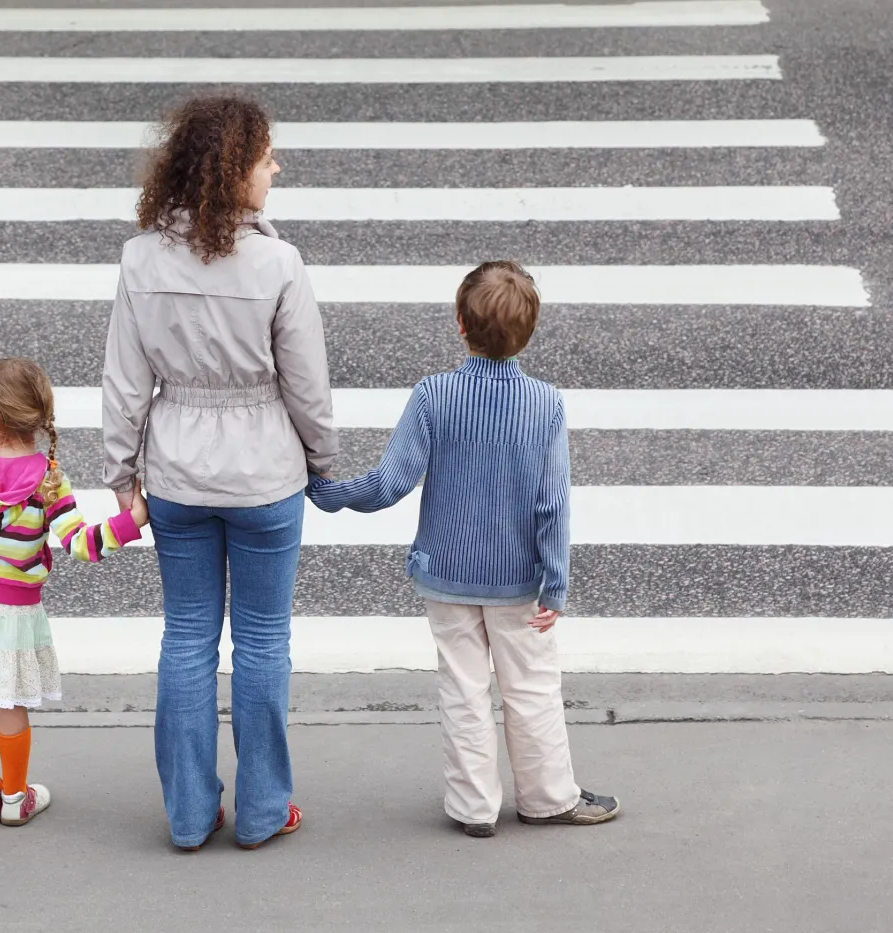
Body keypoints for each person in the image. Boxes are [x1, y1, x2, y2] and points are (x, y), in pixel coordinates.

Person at [307, 261, 620, 837]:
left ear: (459, 324)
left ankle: (474, 807)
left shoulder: (434, 396)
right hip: (520, 580)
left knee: (463, 689)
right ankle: (548, 798)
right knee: (530, 688)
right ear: (529, 332)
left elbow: (390, 483)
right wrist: (556, 583)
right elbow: (553, 504)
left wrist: (326, 493)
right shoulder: (546, 404)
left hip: (448, 575)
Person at [101, 92, 338, 851]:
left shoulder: (140, 259)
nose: (277, 167)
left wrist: (122, 476)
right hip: (266, 473)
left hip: (176, 473)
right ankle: (265, 807)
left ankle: (188, 811)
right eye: (267, 156)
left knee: (187, 636)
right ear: (237, 172)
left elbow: (124, 381)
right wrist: (323, 463)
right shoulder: (278, 262)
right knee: (264, 641)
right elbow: (307, 385)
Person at [0, 357, 148, 827]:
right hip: (14, 611)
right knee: (11, 702)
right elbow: (80, 545)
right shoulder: (48, 480)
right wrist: (133, 521)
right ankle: (15, 797)